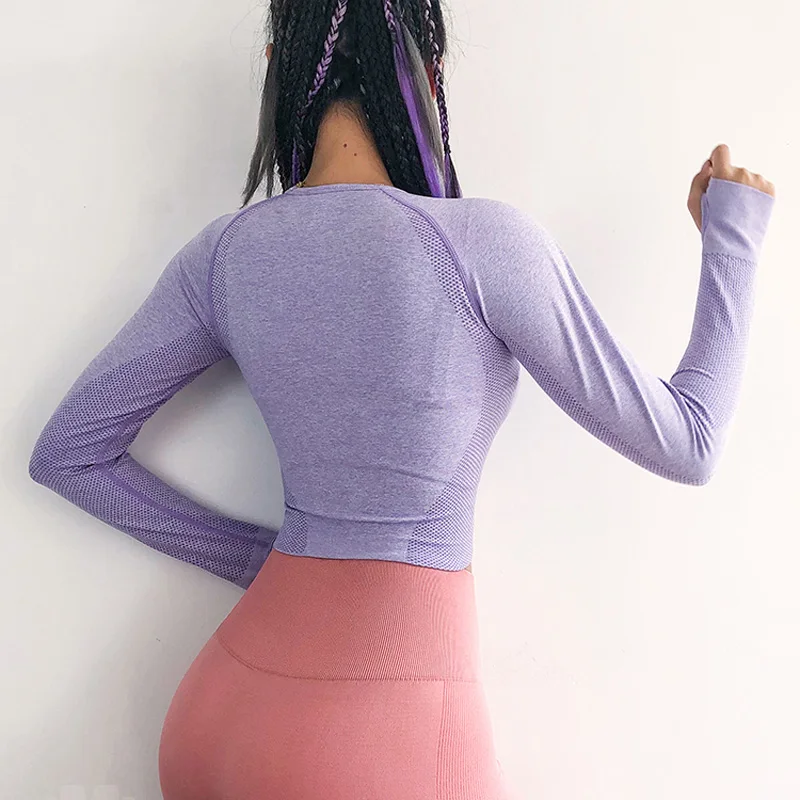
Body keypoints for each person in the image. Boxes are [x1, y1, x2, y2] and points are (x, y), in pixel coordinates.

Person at [27, 0, 775, 796]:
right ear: (430, 72)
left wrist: (264, 561)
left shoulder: (225, 253)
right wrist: (734, 237)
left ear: (278, 67)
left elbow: (68, 455)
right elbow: (689, 444)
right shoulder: (484, 246)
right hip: (387, 743)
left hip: (216, 716)